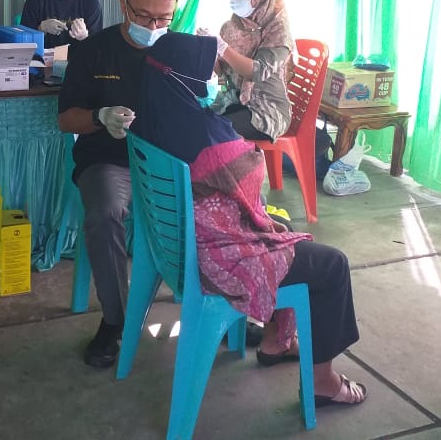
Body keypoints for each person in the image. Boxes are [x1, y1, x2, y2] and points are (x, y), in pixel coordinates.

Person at [135, 32, 366, 408]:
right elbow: (249, 184)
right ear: (184, 75)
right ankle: (323, 381)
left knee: (284, 228)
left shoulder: (148, 121)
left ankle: (276, 340)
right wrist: (264, 221)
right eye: (208, 70)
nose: (213, 78)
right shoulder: (208, 138)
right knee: (331, 265)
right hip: (220, 260)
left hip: (178, 248)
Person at [57, 0, 180, 368]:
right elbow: (65, 118)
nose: (154, 26)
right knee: (105, 213)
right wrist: (100, 117)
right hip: (110, 160)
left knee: (219, 205)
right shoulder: (94, 51)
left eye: (164, 18)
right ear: (123, 4)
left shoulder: (178, 51)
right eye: (144, 15)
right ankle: (116, 319)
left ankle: (228, 301)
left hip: (165, 160)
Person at [204, 0, 294, 142]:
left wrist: (222, 47)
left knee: (214, 130)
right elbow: (220, 73)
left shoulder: (278, 30)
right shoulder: (231, 27)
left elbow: (257, 72)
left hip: (267, 109)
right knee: (194, 119)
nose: (235, 0)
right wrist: (208, 51)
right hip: (234, 100)